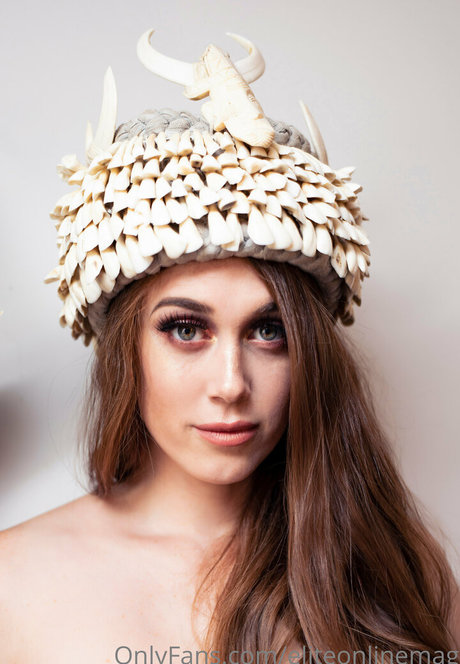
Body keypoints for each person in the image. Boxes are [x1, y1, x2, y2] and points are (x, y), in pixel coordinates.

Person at [0, 28, 459, 664]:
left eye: (270, 331)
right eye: (186, 329)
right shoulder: (14, 582)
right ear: (124, 351)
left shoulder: (403, 576)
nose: (231, 384)